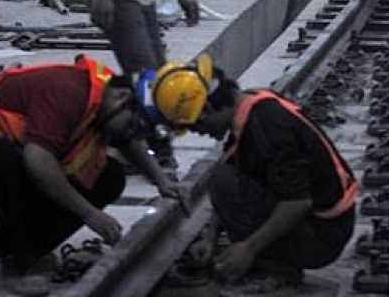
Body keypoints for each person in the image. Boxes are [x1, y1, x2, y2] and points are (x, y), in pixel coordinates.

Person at [0, 55, 183, 285]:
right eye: (134, 124)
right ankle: (18, 263)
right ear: (123, 99)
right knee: (2, 160)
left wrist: (160, 180)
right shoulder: (67, 92)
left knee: (110, 176)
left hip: (13, 164)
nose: (133, 133)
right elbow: (38, 160)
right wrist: (89, 214)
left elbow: (127, 137)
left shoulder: (108, 99)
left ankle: (24, 246)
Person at [136, 55, 357, 286]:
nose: (200, 133)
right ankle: (268, 254)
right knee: (223, 176)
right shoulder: (250, 105)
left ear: (209, 107)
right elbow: (233, 163)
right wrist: (210, 237)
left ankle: (277, 270)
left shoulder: (268, 131)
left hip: (321, 238)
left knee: (223, 181)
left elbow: (298, 202)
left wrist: (248, 248)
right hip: (326, 224)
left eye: (197, 125)